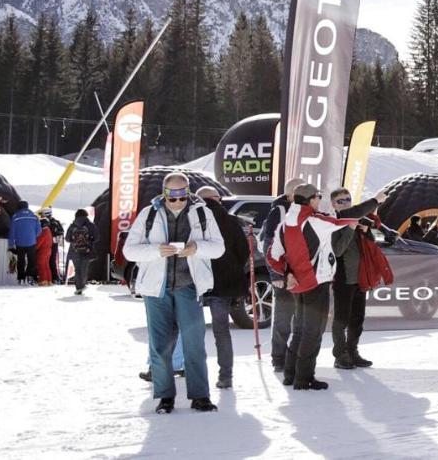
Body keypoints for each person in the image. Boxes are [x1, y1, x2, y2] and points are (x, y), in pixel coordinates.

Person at [122, 172, 225, 414]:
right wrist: (157, 251)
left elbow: (218, 247)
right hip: (156, 290)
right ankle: (165, 396)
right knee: (160, 346)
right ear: (164, 193)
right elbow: (130, 251)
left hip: (188, 287)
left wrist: (196, 248)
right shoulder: (149, 214)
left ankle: (200, 396)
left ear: (188, 193)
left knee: (194, 344)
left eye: (182, 196)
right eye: (172, 196)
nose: (177, 202)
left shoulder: (201, 213)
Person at [268, 183, 352, 391]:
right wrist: (375, 201)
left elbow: (272, 256)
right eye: (319, 196)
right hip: (317, 281)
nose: (320, 200)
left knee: (300, 330)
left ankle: (291, 374)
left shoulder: (285, 223)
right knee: (312, 332)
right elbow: (342, 221)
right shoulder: (314, 219)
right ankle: (304, 378)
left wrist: (286, 274)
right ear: (311, 199)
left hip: (299, 283)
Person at [196, 187, 250, 390]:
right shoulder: (231, 221)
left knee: (189, 329)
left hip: (197, 282)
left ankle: (188, 370)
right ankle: (225, 375)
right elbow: (243, 252)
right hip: (224, 284)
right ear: (217, 199)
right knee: (222, 331)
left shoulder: (193, 219)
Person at [328, 186, 388, 369]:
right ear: (334, 205)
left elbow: (379, 239)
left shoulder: (358, 218)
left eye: (347, 199)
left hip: (361, 278)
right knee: (341, 319)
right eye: (341, 201)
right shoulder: (333, 222)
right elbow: (337, 250)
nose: (345, 203)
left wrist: (366, 231)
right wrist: (350, 229)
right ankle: (340, 355)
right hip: (343, 278)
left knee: (357, 319)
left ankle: (353, 352)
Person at [260, 177, 305, 373]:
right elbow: (269, 246)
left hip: (304, 275)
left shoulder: (307, 212)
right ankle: (278, 358)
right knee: (283, 319)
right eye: (299, 192)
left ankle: (296, 356)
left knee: (302, 319)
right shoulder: (278, 212)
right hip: (285, 275)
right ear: (289, 195)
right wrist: (277, 275)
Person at [8, 200, 41, 285]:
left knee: (21, 261)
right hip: (31, 242)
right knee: (31, 260)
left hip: (20, 243)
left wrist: (11, 244)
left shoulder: (15, 216)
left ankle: (21, 278)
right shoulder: (34, 216)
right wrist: (33, 236)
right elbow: (39, 230)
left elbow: (12, 232)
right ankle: (30, 276)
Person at [65, 209, 97, 295]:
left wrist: (74, 240)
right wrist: (89, 241)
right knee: (84, 268)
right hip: (87, 250)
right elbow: (97, 237)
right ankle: (82, 285)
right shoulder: (90, 225)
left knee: (77, 269)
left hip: (75, 250)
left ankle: (79, 287)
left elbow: (67, 239)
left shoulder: (72, 225)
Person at [41, 209, 65, 283]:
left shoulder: (44, 222)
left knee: (46, 261)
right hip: (54, 244)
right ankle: (54, 277)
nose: (41, 215)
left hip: (45, 243)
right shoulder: (56, 222)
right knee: (52, 260)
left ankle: (51, 277)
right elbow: (62, 231)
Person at [36, 219, 54, 285]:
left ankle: (43, 280)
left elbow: (39, 242)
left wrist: (34, 248)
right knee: (46, 265)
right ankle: (49, 280)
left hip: (42, 251)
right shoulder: (48, 231)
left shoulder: (43, 232)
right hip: (48, 250)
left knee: (41, 265)